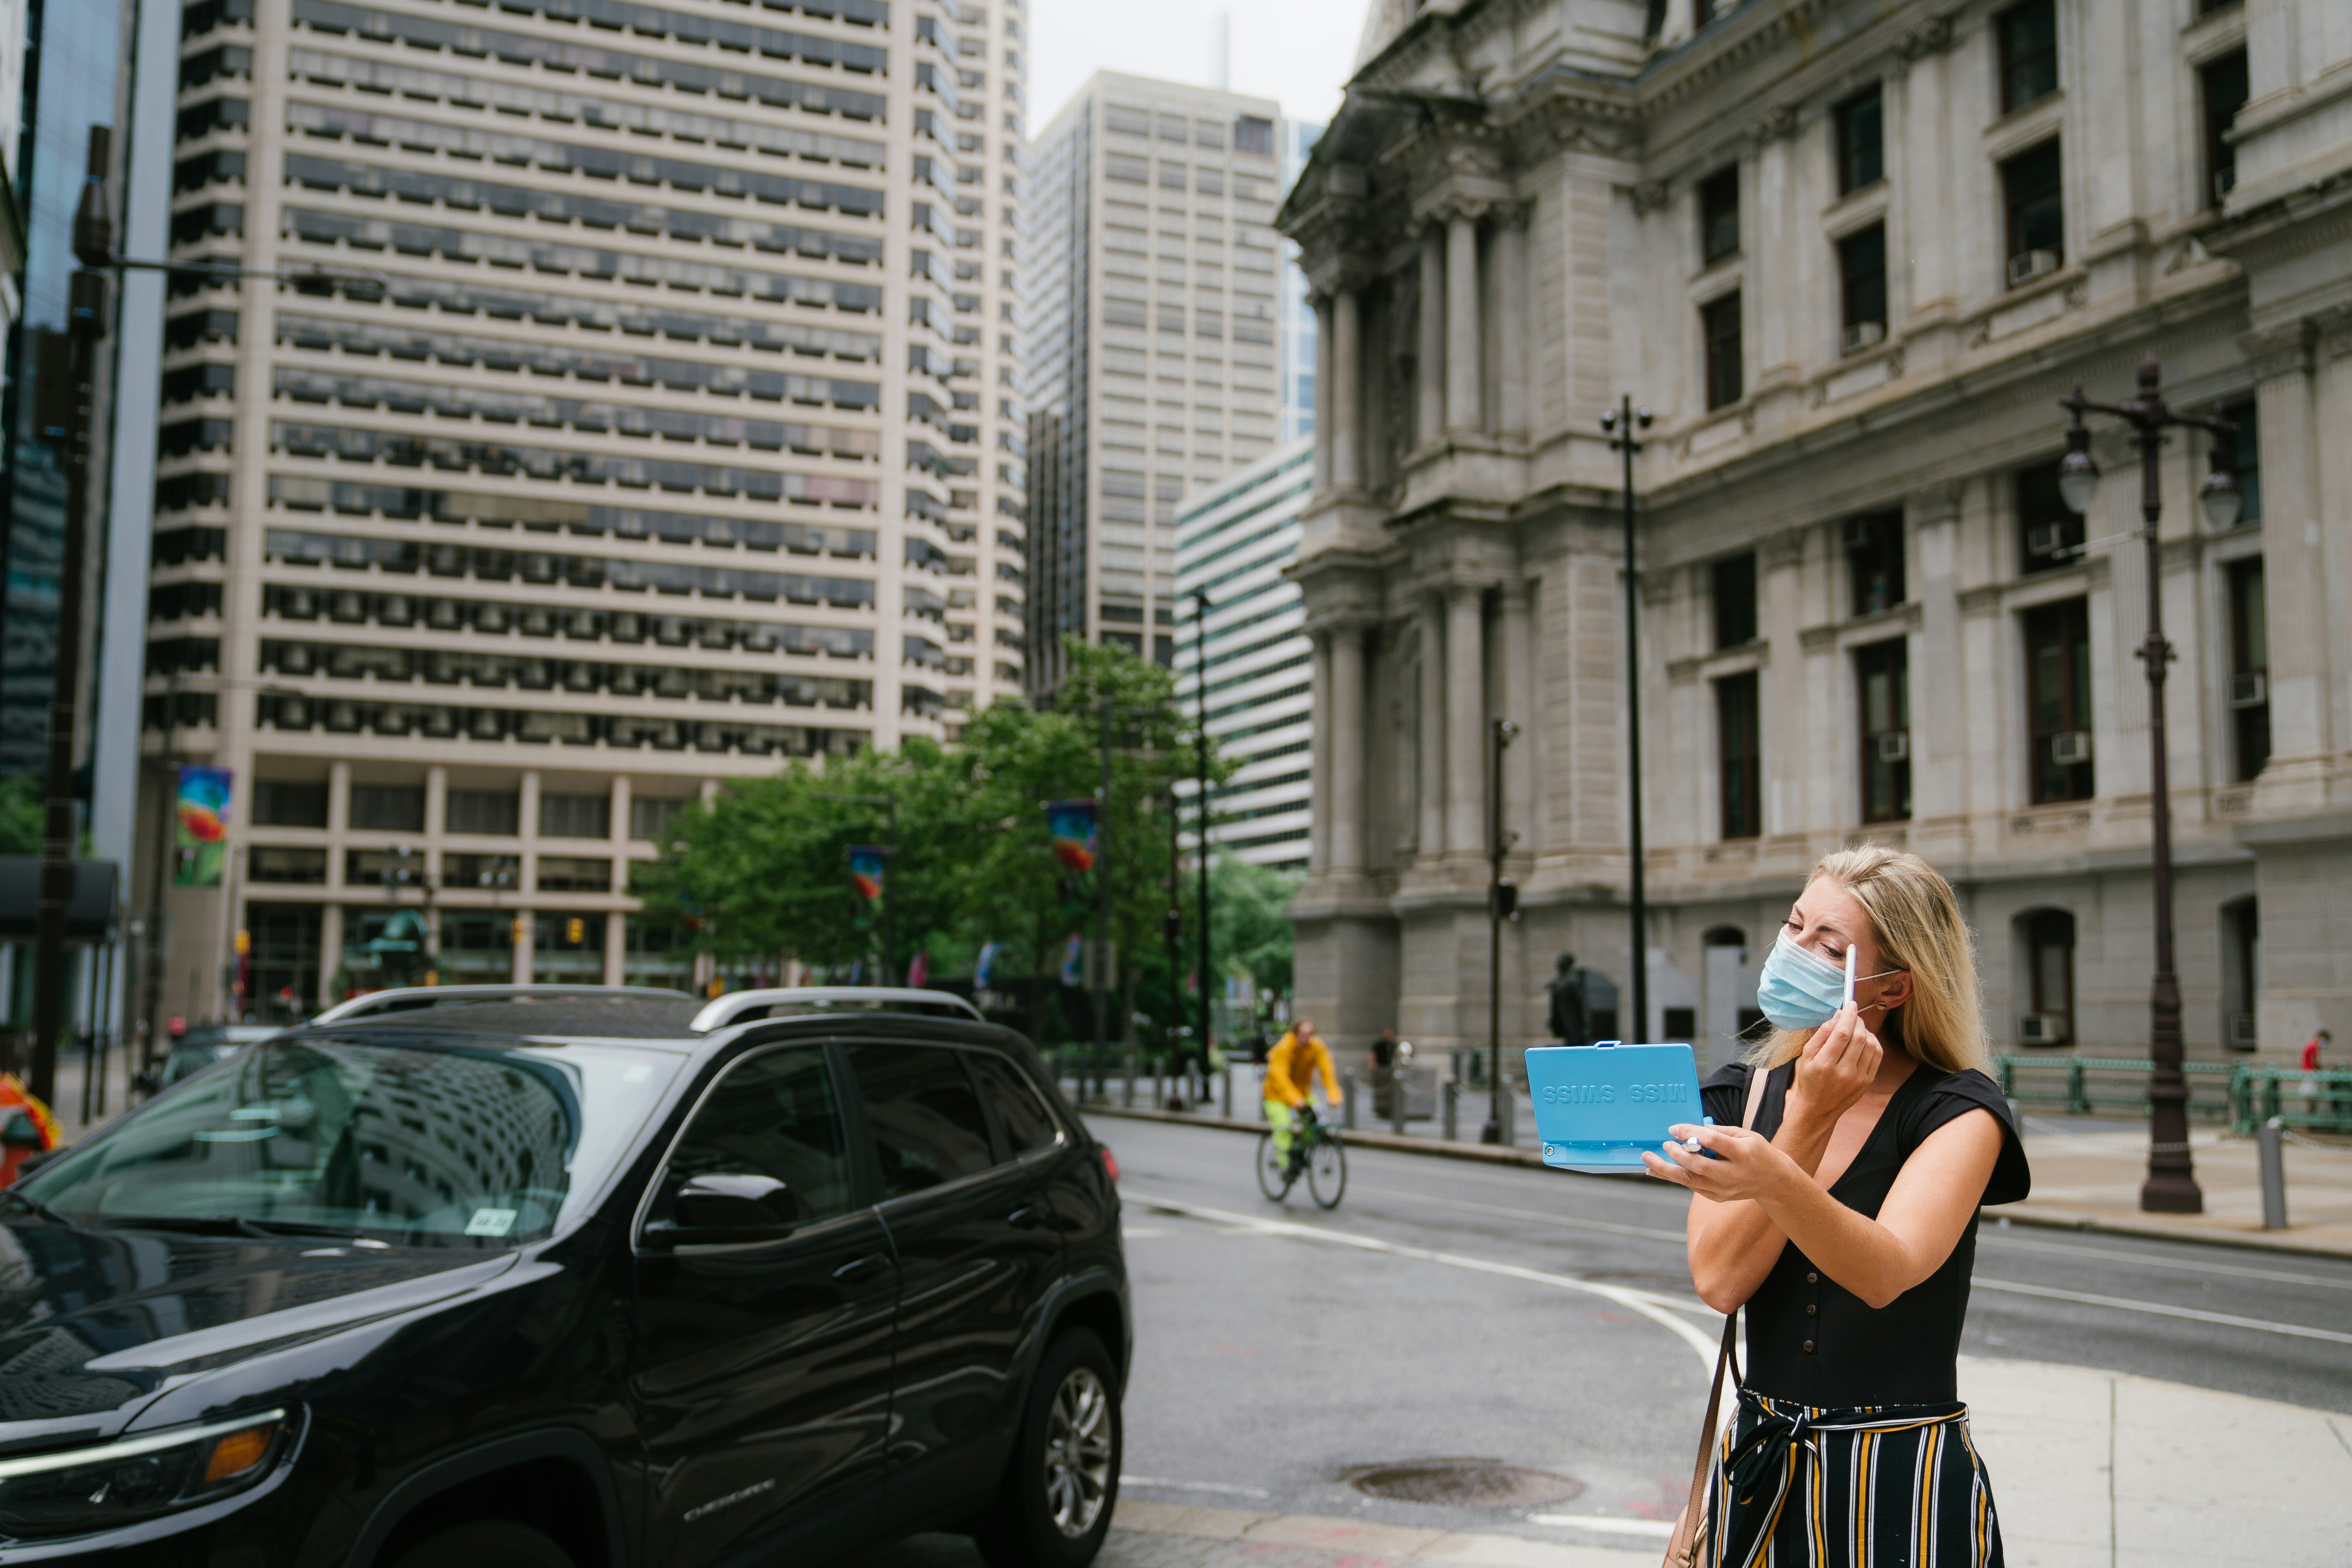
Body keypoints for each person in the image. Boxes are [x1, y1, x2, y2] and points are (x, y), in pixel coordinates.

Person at [1642, 846, 2031, 1567]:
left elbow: (1887, 1271)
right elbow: (1720, 1282)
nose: (1795, 953)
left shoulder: (1958, 1111)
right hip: (1764, 1469)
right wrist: (1804, 1120)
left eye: (1829, 945)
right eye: (1794, 927)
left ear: (1892, 989)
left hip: (1902, 1477)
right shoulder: (1744, 1095)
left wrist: (1779, 1165)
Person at [1263, 1018, 1339, 1166]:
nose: (1307, 1038)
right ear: (1295, 1034)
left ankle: (1302, 1151)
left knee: (1316, 1122)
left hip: (1303, 1093)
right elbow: (1280, 1078)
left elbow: (1327, 1070)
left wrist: (1334, 1095)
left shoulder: (1316, 1047)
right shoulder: (1283, 1048)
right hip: (1276, 1095)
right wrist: (1295, 1100)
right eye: (1303, 1034)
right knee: (1283, 1125)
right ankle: (1284, 1164)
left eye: (1311, 1034)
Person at [2301, 1028, 2330, 1114]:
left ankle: (2310, 1123)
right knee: (2312, 1101)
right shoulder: (2314, 1047)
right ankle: (2309, 1124)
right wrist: (2323, 1073)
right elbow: (2316, 1063)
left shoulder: (2311, 1046)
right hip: (2311, 1076)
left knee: (2311, 1102)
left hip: (2309, 1075)